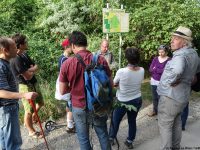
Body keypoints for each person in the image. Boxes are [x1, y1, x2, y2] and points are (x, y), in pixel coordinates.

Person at [59, 31, 112, 150]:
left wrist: (74, 87)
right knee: (103, 135)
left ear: (72, 46)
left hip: (79, 107)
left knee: (83, 139)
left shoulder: (67, 64)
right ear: (86, 44)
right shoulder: (100, 60)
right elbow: (110, 83)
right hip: (98, 104)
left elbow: (62, 90)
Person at [157, 26, 200, 150]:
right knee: (176, 123)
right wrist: (187, 78)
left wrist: (173, 80)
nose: (171, 41)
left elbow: (178, 70)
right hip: (182, 97)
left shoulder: (180, 55)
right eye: (172, 38)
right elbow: (196, 73)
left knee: (165, 125)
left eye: (175, 39)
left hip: (170, 97)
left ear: (184, 42)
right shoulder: (194, 54)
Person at [0, 37, 38, 150]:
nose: (16, 49)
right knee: (14, 145)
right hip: (7, 109)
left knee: (5, 143)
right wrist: (24, 95)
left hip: (8, 109)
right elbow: (1, 92)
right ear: (5, 50)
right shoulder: (1, 66)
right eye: (13, 47)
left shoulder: (6, 63)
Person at [109, 47, 144, 149]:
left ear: (127, 58)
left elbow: (113, 84)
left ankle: (111, 138)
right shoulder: (142, 70)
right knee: (132, 120)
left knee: (115, 121)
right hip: (137, 99)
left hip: (123, 101)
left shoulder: (122, 71)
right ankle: (130, 141)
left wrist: (117, 85)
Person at [10, 33, 44, 139]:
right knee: (28, 110)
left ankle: (33, 117)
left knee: (41, 103)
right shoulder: (15, 58)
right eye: (25, 42)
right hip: (25, 86)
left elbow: (36, 66)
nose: (27, 43)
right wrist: (31, 70)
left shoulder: (24, 54)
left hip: (34, 82)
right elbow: (28, 77)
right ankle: (31, 131)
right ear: (20, 45)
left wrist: (30, 70)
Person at [147, 45, 171, 117]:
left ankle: (161, 113)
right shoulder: (155, 59)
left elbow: (166, 71)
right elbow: (150, 69)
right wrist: (159, 70)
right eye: (159, 52)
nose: (160, 54)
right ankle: (155, 111)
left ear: (166, 52)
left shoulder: (169, 60)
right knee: (154, 97)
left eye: (162, 52)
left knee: (161, 98)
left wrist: (156, 69)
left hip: (163, 82)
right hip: (154, 81)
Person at [58, 38, 75, 133]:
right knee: (71, 104)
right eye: (70, 46)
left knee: (69, 104)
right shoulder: (64, 59)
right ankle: (70, 125)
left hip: (66, 85)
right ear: (66, 47)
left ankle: (70, 123)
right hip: (67, 86)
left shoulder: (62, 58)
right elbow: (65, 75)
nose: (72, 48)